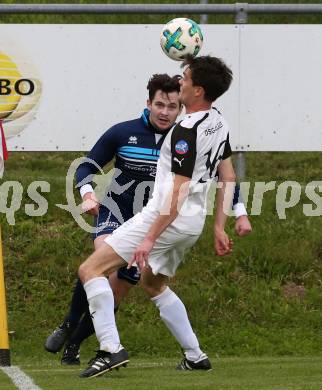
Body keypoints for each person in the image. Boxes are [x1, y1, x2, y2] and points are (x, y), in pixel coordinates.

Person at [45, 72, 251, 366]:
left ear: (181, 106)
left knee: (131, 287)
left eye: (171, 107)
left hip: (160, 220)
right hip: (119, 212)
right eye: (159, 105)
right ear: (148, 103)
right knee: (98, 265)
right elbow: (86, 166)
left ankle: (77, 343)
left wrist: (239, 211)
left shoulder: (184, 134)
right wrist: (88, 192)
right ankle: (75, 328)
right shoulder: (123, 132)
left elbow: (222, 174)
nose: (165, 112)